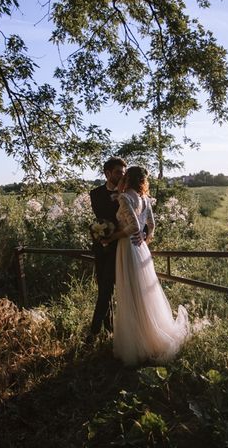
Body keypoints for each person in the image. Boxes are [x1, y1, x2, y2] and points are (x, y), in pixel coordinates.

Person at [105, 166, 189, 366]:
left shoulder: (125, 198)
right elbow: (150, 224)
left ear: (127, 178)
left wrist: (112, 237)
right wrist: (146, 238)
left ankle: (138, 343)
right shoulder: (145, 199)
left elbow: (133, 226)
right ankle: (148, 337)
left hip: (127, 248)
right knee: (143, 293)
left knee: (131, 292)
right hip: (141, 249)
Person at [88, 156, 127, 341]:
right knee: (103, 287)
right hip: (100, 247)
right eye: (118, 172)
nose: (122, 175)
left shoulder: (127, 194)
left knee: (106, 290)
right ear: (108, 173)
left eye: (123, 172)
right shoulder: (95, 194)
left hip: (119, 248)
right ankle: (108, 329)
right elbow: (100, 219)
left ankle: (93, 332)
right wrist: (98, 233)